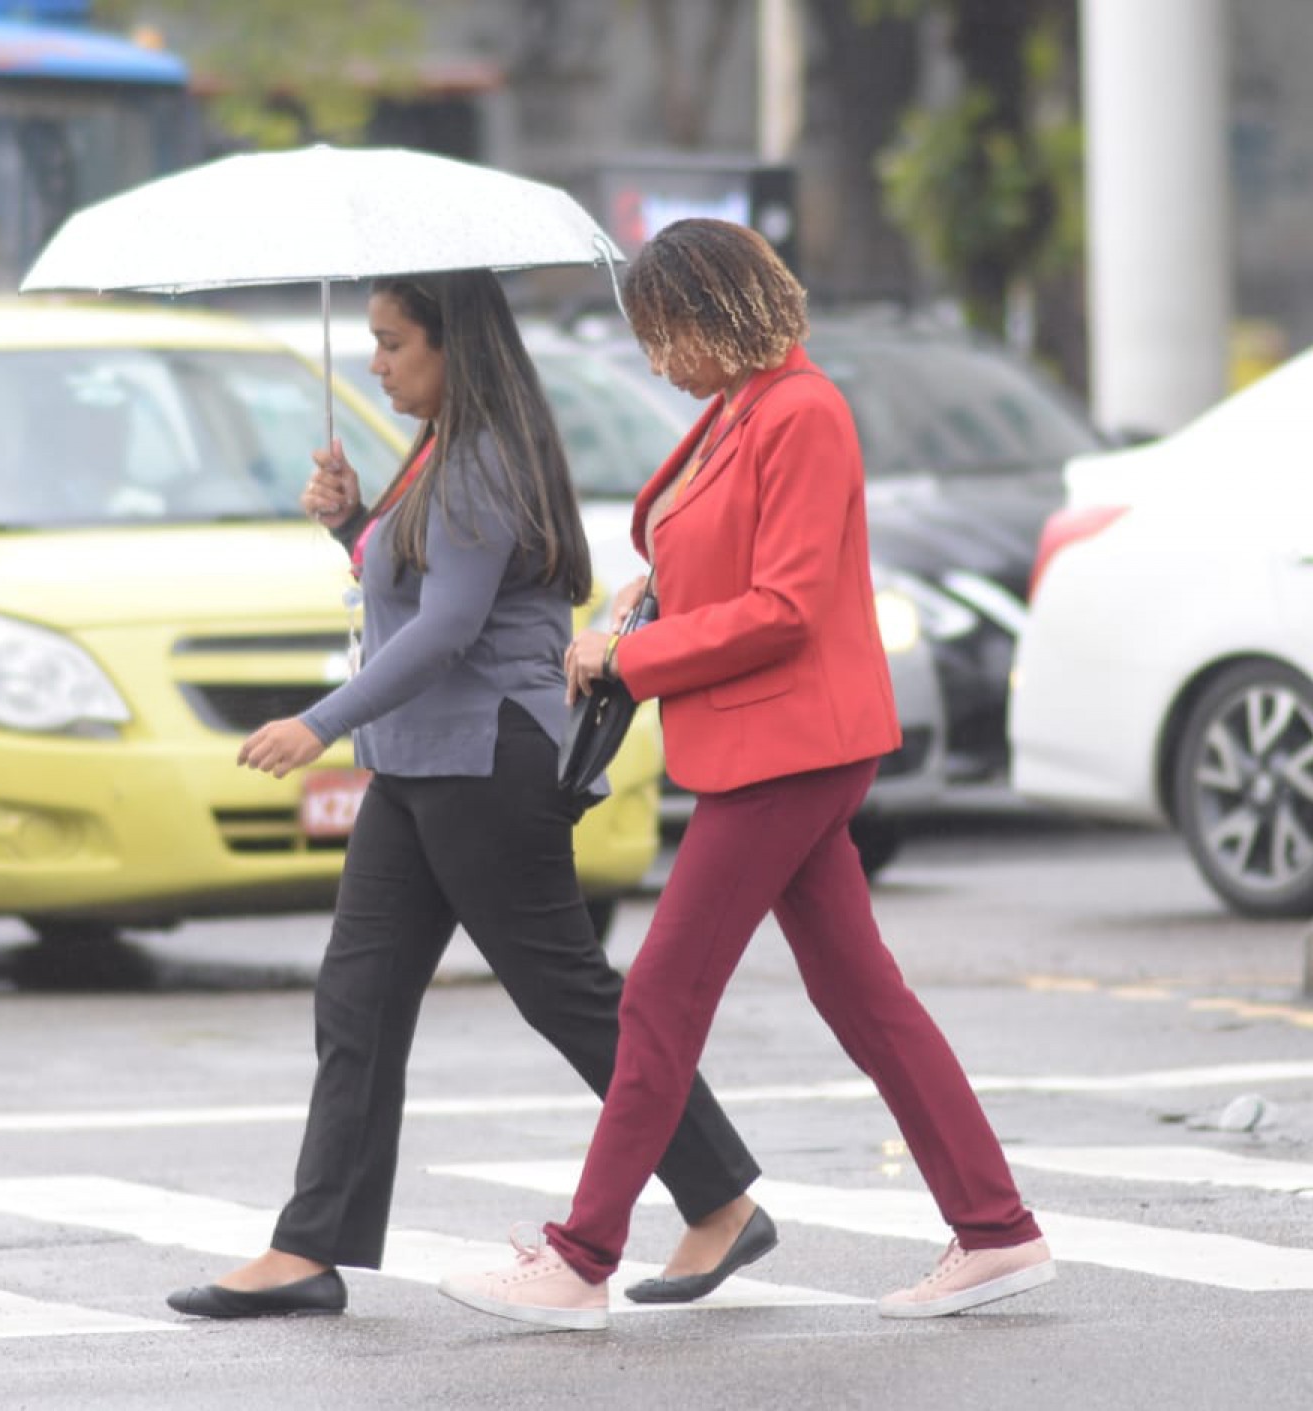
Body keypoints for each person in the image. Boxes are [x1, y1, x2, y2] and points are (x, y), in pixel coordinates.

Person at [439, 220, 1054, 1330]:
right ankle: (998, 1229)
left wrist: (630, 655)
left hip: (792, 745)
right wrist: (644, 589)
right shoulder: (741, 410)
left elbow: (786, 607)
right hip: (770, 743)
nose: (657, 363)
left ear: (715, 314)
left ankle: (580, 1258)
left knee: (665, 995)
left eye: (664, 335)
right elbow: (718, 553)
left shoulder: (803, 412)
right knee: (864, 997)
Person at [165, 268, 769, 1321]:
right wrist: (350, 524)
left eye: (394, 342)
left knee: (568, 996)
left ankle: (719, 1193)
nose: (377, 361)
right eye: (374, 340)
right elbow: (409, 587)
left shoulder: (486, 457)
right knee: (358, 999)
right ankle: (309, 1247)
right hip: (417, 767)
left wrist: (320, 721)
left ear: (455, 347)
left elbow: (448, 630)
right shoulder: (441, 448)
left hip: (486, 761)